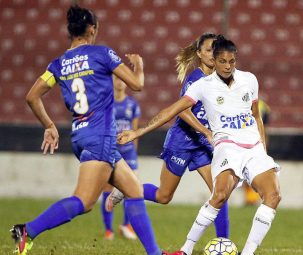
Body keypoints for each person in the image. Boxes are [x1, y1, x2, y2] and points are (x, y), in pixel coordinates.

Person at [10, 5, 172, 255]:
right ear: (92, 29)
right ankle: (27, 230)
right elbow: (137, 85)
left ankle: (155, 253)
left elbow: (32, 97)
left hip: (81, 136)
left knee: (134, 190)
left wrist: (49, 125)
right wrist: (139, 66)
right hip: (101, 137)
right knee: (84, 202)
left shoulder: (59, 64)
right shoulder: (102, 54)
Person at [117, 35, 281, 255]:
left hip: (247, 148)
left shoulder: (249, 80)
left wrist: (262, 149)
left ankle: (240, 250)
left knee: (273, 196)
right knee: (172, 196)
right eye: (221, 60)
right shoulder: (201, 84)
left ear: (235, 59)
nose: (226, 65)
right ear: (211, 58)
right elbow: (172, 111)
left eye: (231, 61)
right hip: (199, 144)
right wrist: (138, 131)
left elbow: (255, 115)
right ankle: (183, 246)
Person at [106, 33, 230, 238]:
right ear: (199, 53)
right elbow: (181, 111)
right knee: (164, 196)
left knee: (220, 194)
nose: (212, 54)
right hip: (181, 142)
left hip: (202, 145)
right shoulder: (195, 79)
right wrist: (206, 131)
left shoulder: (220, 81)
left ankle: (224, 243)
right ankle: (127, 189)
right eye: (208, 50)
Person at [101, 75, 141, 240]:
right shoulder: (106, 103)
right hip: (111, 151)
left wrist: (134, 151)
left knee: (130, 189)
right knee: (107, 189)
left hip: (128, 152)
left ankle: (126, 225)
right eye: (116, 79)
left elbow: (135, 131)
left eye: (122, 79)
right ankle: (108, 230)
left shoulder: (132, 105)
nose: (119, 82)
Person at [243, 98, 271, 206]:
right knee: (247, 172)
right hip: (250, 141)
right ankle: (251, 198)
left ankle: (254, 197)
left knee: (253, 172)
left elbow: (264, 128)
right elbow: (266, 129)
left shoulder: (262, 106)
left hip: (253, 142)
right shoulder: (264, 106)